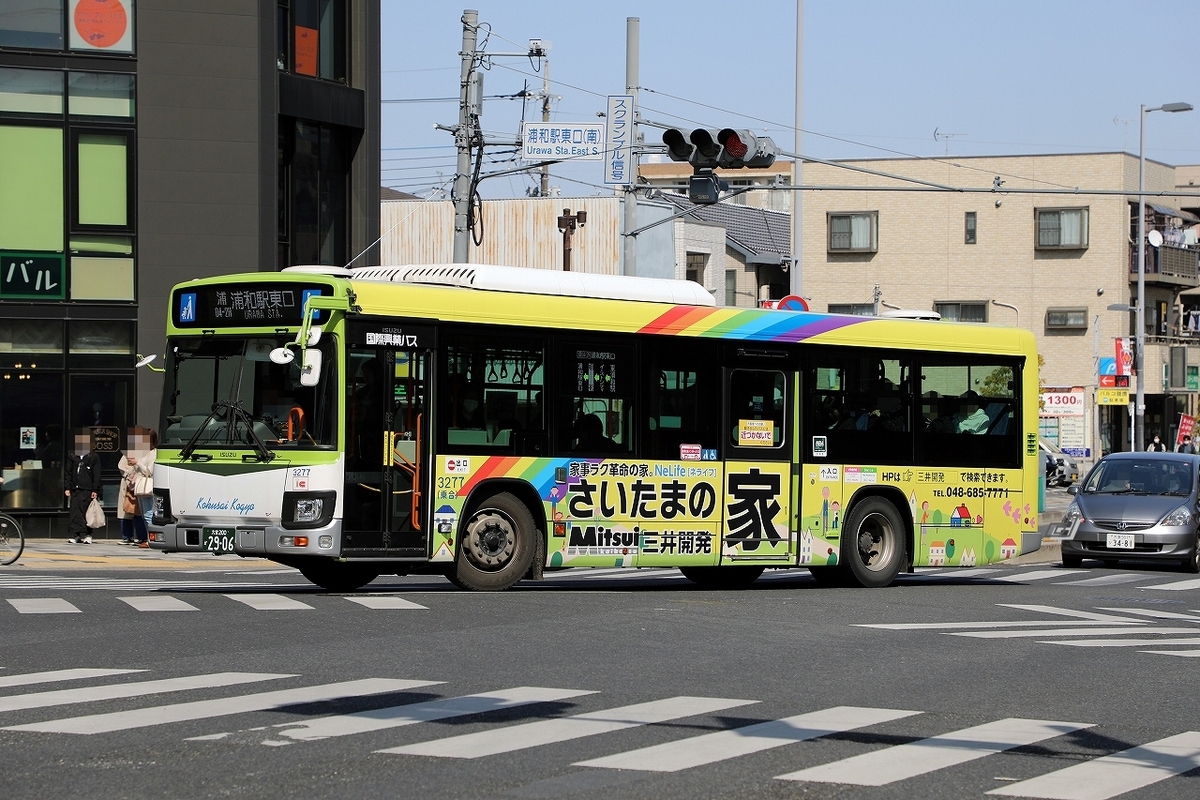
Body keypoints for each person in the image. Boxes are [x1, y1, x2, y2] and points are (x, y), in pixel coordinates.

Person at [120, 427, 156, 548]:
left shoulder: (153, 453)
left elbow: (149, 471)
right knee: (144, 514)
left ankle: (152, 538)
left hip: (147, 485)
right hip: (139, 485)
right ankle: (149, 538)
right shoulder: (142, 452)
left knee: (148, 513)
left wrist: (137, 463)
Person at [65, 429, 101, 544]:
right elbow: (68, 472)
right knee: (75, 512)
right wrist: (67, 487)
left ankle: (88, 534)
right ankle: (75, 534)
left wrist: (95, 489)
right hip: (75, 489)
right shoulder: (73, 455)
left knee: (87, 511)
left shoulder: (93, 457)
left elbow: (97, 474)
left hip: (87, 489)